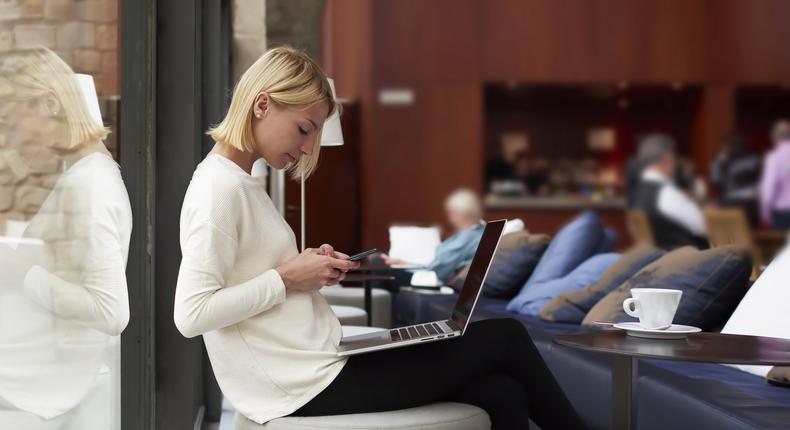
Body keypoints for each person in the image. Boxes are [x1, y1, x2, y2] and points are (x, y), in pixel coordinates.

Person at [172, 46, 590, 430]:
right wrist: (286, 279)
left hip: (318, 365)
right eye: (304, 129)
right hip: (302, 385)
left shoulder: (241, 182)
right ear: (262, 104)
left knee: (503, 393)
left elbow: (257, 273)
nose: (307, 148)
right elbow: (191, 314)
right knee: (506, 336)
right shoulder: (220, 189)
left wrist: (309, 269)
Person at [0, 47, 131, 427]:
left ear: (51, 103)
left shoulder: (91, 186)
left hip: (39, 386)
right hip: (35, 376)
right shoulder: (81, 176)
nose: (13, 138)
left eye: (13, 123)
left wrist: (20, 270)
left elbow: (110, 311)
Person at [380, 189, 485, 283]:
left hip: (435, 280)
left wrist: (407, 266)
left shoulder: (466, 238)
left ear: (456, 214)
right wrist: (406, 264)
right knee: (384, 263)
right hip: (434, 274)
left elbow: (437, 270)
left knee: (380, 266)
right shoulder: (480, 231)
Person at [629, 133, 708, 250]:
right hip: (690, 261)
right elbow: (703, 226)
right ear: (667, 158)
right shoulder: (666, 193)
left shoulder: (637, 192)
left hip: (659, 261)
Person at [710, 132, 761, 226]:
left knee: (730, 235)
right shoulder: (755, 158)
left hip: (731, 205)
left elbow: (717, 183)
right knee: (750, 234)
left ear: (727, 146)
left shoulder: (724, 161)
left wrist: (716, 163)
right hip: (752, 204)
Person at [759, 120, 790, 229]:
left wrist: (764, 213)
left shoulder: (774, 157)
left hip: (782, 213)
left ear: (773, 136)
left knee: (781, 245)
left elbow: (768, 188)